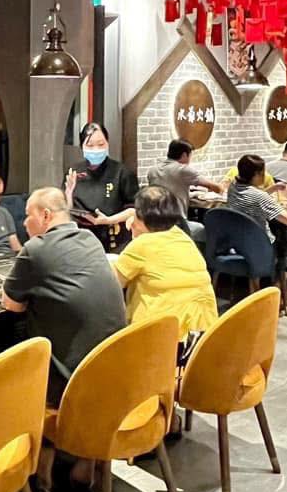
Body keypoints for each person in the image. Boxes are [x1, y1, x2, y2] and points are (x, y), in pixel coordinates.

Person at [3, 187, 126, 492]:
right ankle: (82, 457)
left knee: (11, 347)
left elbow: (12, 305)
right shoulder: (91, 239)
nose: (24, 222)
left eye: (28, 215)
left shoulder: (36, 249)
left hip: (70, 381)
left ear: (45, 215)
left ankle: (36, 459)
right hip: (113, 370)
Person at [113, 186, 218, 337]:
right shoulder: (182, 236)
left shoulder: (142, 245)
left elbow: (113, 286)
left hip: (164, 337)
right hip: (203, 332)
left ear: (142, 218)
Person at [64, 122, 139, 252]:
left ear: (107, 144)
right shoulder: (74, 171)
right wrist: (68, 194)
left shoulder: (121, 172)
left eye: (101, 144)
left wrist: (108, 220)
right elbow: (66, 209)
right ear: (82, 146)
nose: (96, 150)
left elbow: (134, 208)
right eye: (90, 145)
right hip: (80, 240)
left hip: (113, 239)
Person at [147, 140, 222, 244]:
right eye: (190, 155)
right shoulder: (183, 170)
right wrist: (221, 188)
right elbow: (215, 187)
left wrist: (193, 193)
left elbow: (169, 191)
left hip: (154, 220)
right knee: (203, 231)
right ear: (184, 155)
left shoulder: (153, 170)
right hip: (177, 223)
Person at [227, 154, 287, 243]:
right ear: (257, 174)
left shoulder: (233, 186)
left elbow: (254, 198)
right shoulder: (259, 197)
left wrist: (273, 188)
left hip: (239, 240)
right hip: (261, 244)